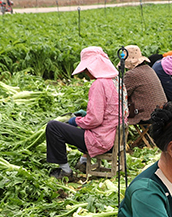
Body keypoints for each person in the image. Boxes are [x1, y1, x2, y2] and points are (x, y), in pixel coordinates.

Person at [45, 46, 126, 181]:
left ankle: (65, 171)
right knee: (82, 125)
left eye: (87, 69)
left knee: (53, 127)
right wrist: (84, 117)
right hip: (116, 139)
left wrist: (75, 121)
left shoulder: (99, 84)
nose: (87, 73)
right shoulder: (118, 81)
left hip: (101, 141)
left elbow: (95, 120)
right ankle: (82, 162)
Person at [122, 45, 167, 126]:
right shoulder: (149, 69)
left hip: (147, 115)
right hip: (161, 112)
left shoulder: (132, 74)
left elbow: (122, 94)